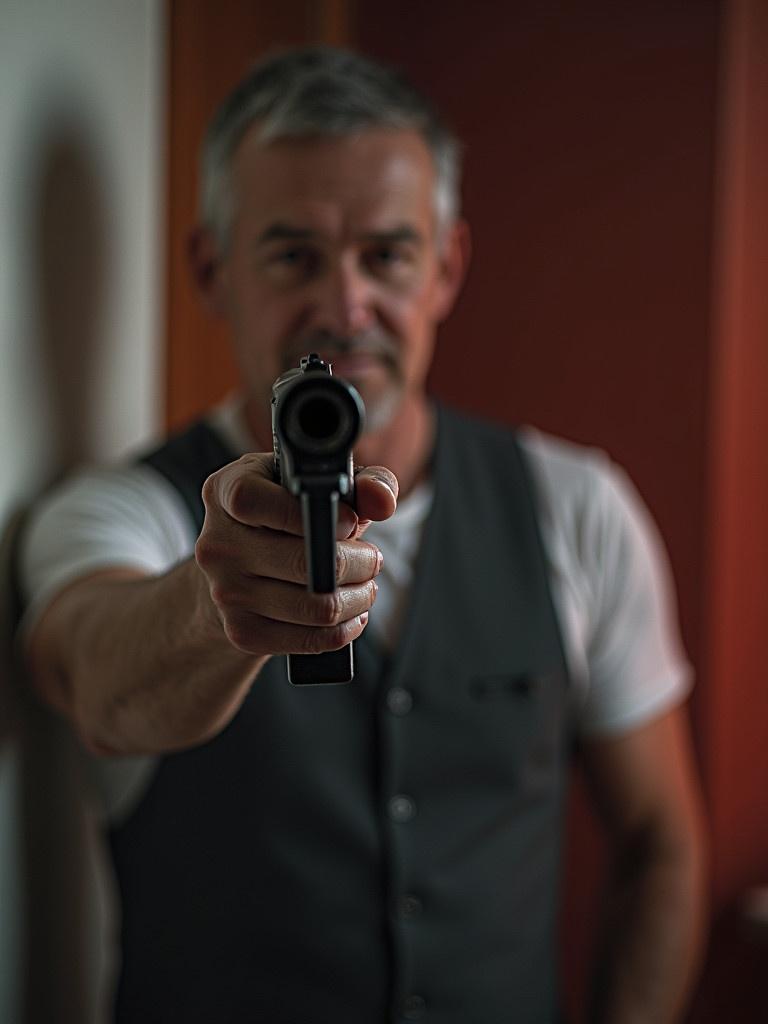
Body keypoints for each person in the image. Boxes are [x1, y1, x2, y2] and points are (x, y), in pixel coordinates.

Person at [19, 46, 707, 1024]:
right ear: (211, 270)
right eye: (294, 254)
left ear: (447, 267)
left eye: (386, 253)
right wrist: (218, 604)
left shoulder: (578, 506)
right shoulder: (117, 513)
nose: (345, 308)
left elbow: (661, 841)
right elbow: (103, 689)